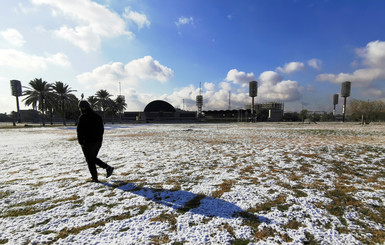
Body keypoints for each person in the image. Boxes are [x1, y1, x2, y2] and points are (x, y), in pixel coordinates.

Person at [77, 100, 114, 182]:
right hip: (97, 142)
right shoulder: (97, 116)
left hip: (87, 142)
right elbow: (101, 129)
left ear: (82, 108)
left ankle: (96, 177)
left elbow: (79, 131)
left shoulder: (83, 117)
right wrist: (99, 139)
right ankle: (107, 168)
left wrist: (81, 142)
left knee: (90, 160)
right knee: (92, 159)